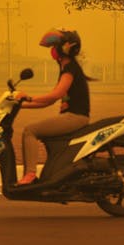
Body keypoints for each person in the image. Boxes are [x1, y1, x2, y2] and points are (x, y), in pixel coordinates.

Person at [14, 28, 92, 185]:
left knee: (30, 131)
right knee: (35, 131)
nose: (52, 51)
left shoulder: (70, 69)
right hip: (71, 117)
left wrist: (28, 97)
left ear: (64, 48)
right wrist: (20, 105)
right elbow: (48, 101)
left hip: (75, 117)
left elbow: (56, 94)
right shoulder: (66, 68)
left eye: (54, 47)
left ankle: (30, 175)